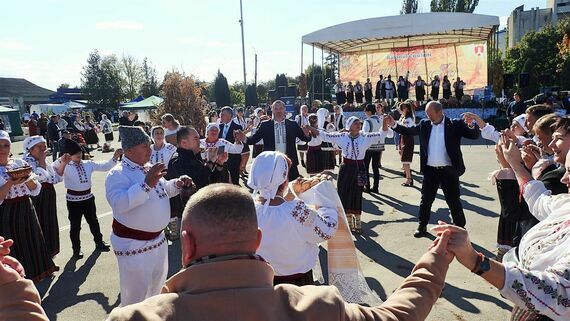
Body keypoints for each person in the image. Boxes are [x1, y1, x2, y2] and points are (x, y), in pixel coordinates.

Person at [2, 183, 454, 321]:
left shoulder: (135, 319)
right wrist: (438, 256)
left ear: (188, 245)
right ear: (256, 242)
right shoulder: (322, 308)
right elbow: (400, 314)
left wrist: (13, 285)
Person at [433, 139, 570, 321]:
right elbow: (537, 196)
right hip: (528, 305)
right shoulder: (566, 205)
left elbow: (555, 293)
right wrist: (513, 163)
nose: (563, 178)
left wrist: (475, 260)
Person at [105, 125, 193, 307]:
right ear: (129, 150)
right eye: (145, 146)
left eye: (149, 144)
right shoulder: (117, 174)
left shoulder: (147, 168)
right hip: (134, 246)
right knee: (135, 297)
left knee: (156, 292)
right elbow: (120, 204)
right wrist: (146, 184)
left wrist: (177, 184)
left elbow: (163, 190)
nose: (150, 149)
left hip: (158, 242)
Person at [385, 101, 480, 237]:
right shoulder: (424, 124)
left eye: (430, 114)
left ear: (439, 112)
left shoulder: (454, 124)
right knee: (426, 200)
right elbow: (409, 131)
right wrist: (393, 124)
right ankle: (422, 226)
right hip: (430, 170)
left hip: (448, 170)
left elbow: (474, 135)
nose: (428, 117)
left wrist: (472, 123)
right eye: (426, 114)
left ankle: (460, 227)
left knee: (453, 200)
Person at [248, 152, 338, 285]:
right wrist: (325, 202)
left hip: (259, 282)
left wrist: (291, 190)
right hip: (296, 284)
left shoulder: (246, 208)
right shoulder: (296, 211)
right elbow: (327, 230)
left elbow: (272, 201)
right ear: (284, 180)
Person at [310, 116, 393, 233]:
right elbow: (325, 135)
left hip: (360, 169)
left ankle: (358, 222)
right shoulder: (342, 136)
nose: (358, 125)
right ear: (349, 126)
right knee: (344, 193)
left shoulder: (365, 136)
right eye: (355, 123)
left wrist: (384, 123)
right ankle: (348, 221)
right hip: (346, 169)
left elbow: (382, 134)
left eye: (359, 123)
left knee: (357, 194)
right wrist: (310, 128)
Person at [0, 131, 58, 283]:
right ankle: (17, 278)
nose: (3, 148)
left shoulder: (18, 163)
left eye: (6, 145)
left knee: (34, 239)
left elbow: (35, 188)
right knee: (15, 244)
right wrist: (11, 182)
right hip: (7, 212)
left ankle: (39, 270)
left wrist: (25, 179)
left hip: (27, 207)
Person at [58, 137, 122, 259]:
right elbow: (55, 171)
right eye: (76, 155)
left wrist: (114, 157)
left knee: (93, 221)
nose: (79, 157)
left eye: (80, 154)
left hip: (88, 198)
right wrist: (63, 161)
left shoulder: (88, 164)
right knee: (75, 226)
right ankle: (76, 249)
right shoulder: (65, 165)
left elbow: (105, 166)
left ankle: (99, 242)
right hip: (73, 201)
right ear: (69, 156)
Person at [166, 126, 229, 240]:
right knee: (194, 253)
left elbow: (210, 182)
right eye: (195, 138)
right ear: (184, 142)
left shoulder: (196, 157)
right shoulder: (176, 162)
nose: (199, 141)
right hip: (191, 217)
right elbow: (195, 183)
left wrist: (219, 164)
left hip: (205, 212)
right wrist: (210, 163)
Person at [245, 100, 312, 181]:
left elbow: (305, 138)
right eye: (276, 108)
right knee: (272, 189)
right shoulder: (265, 125)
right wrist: (243, 138)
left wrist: (307, 134)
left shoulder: (292, 124)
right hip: (271, 163)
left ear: (284, 109)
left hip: (290, 162)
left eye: (280, 108)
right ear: (272, 110)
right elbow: (253, 139)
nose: (278, 111)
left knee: (292, 189)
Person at [23, 136, 66, 259]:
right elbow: (38, 178)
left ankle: (50, 254)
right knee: (39, 225)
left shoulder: (44, 161)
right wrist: (42, 160)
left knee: (49, 223)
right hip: (37, 198)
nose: (43, 149)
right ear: (30, 149)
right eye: (39, 147)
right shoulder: (26, 162)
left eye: (44, 146)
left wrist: (63, 162)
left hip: (48, 196)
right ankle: (41, 257)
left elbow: (55, 178)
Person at [218, 107, 244, 185]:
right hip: (220, 159)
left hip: (233, 158)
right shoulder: (219, 127)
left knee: (234, 180)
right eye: (220, 114)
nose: (221, 116)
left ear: (229, 115)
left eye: (223, 114)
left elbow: (240, 144)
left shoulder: (237, 127)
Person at [362, 104, 385, 193]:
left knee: (366, 167)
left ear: (369, 112)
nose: (365, 113)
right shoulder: (380, 120)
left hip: (369, 147)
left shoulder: (367, 121)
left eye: (366, 112)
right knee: (375, 168)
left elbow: (364, 134)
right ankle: (376, 187)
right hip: (378, 146)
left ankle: (367, 187)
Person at [398, 102, 416, 187]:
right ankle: (408, 177)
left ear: (407, 109)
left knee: (405, 160)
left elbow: (406, 129)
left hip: (407, 139)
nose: (401, 109)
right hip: (403, 139)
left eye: (403, 107)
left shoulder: (409, 119)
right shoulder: (403, 118)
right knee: (404, 160)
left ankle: (409, 178)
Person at [234, 107, 251, 178]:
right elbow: (238, 132)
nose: (241, 113)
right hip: (239, 139)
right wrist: (247, 130)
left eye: (241, 112)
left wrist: (248, 126)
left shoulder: (243, 119)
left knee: (247, 153)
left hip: (244, 138)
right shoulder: (235, 120)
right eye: (239, 112)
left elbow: (243, 129)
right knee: (243, 155)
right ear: (236, 113)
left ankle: (243, 168)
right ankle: (240, 169)